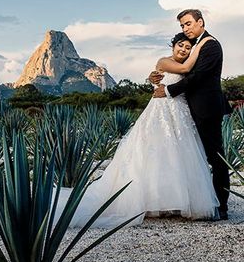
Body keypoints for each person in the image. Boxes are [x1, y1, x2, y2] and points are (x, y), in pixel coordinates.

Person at [62, 32, 219, 228]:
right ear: (173, 46)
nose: (184, 50)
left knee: (177, 156)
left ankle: (173, 202)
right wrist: (202, 42)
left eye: (188, 48)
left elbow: (190, 77)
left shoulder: (187, 64)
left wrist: (154, 79)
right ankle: (151, 201)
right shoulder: (164, 61)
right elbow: (186, 69)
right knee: (154, 153)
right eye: (181, 45)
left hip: (180, 112)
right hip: (160, 110)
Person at [151, 9, 231, 220]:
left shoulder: (210, 45)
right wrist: (156, 79)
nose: (185, 29)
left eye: (188, 24)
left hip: (206, 108)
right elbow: (175, 69)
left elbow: (197, 76)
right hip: (188, 110)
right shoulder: (197, 45)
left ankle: (221, 207)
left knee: (215, 157)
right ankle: (196, 200)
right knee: (194, 156)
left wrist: (168, 91)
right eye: (182, 26)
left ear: (200, 22)